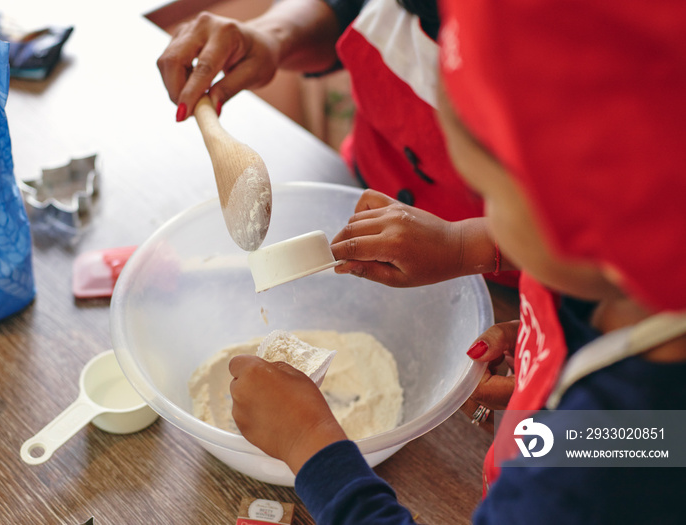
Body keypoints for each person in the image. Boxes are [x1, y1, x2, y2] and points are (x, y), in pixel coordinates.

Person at [228, 1, 686, 523]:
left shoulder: (583, 474)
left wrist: (312, 445)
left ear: (574, 219)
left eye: (487, 193)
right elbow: (660, 441)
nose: (479, 210)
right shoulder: (638, 305)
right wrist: (543, 341)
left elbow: (621, 451)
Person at [156, 0, 517, 287]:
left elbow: (570, 216)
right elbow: (347, 6)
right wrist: (270, 36)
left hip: (517, 270)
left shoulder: (547, 43)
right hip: (360, 189)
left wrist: (462, 246)